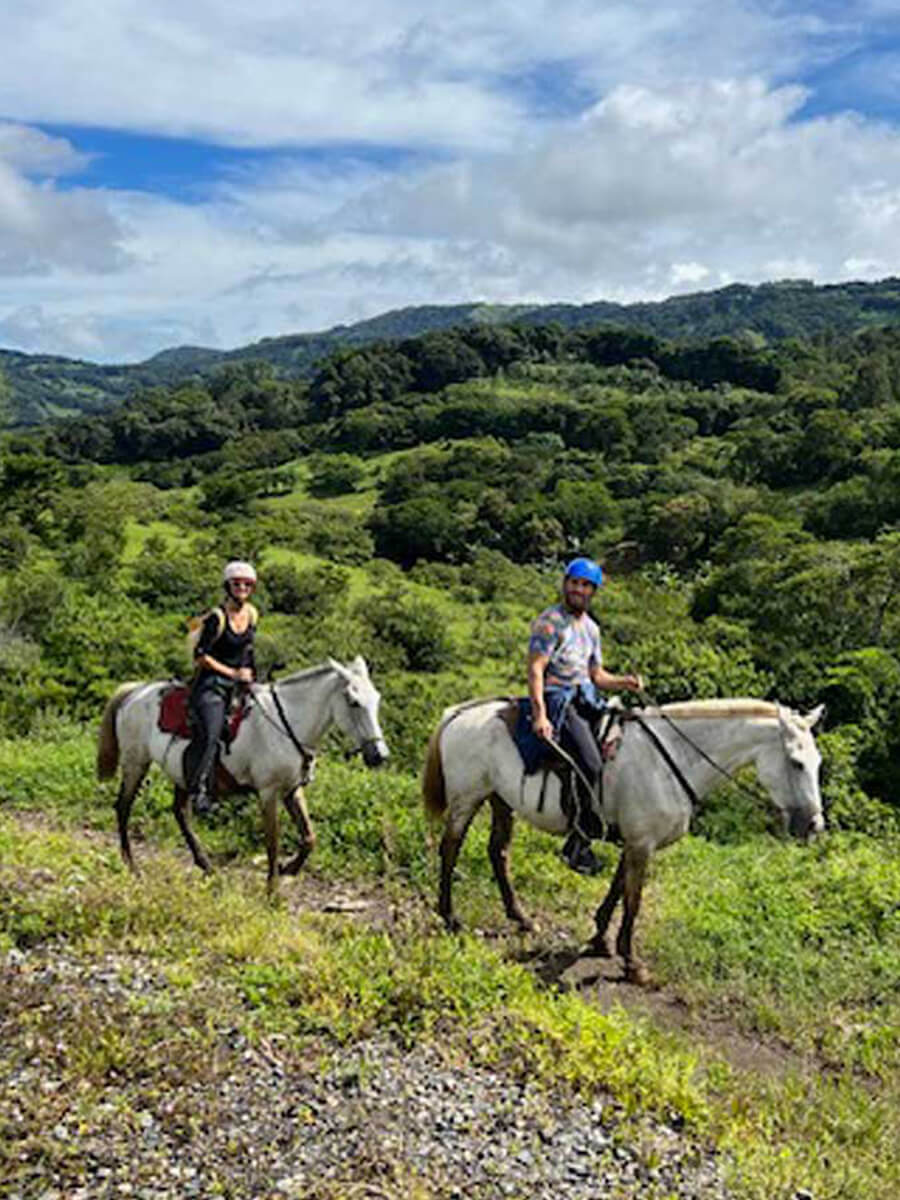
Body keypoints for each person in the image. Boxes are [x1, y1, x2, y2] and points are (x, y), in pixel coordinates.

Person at [528, 556, 642, 875]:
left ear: (593, 591)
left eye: (585, 585)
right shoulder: (550, 622)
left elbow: (596, 675)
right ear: (565, 584)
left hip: (586, 698)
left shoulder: (591, 628)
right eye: (574, 583)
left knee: (620, 747)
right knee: (590, 763)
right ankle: (577, 843)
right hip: (559, 698)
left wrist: (625, 682)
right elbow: (536, 669)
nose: (579, 590)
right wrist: (540, 715)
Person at [184, 560, 259, 814]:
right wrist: (232, 673)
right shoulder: (216, 618)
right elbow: (200, 656)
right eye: (237, 584)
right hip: (211, 685)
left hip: (239, 685)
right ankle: (198, 791)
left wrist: (251, 676)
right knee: (211, 732)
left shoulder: (252, 614)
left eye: (247, 584)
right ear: (228, 587)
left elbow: (248, 650)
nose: (242, 588)